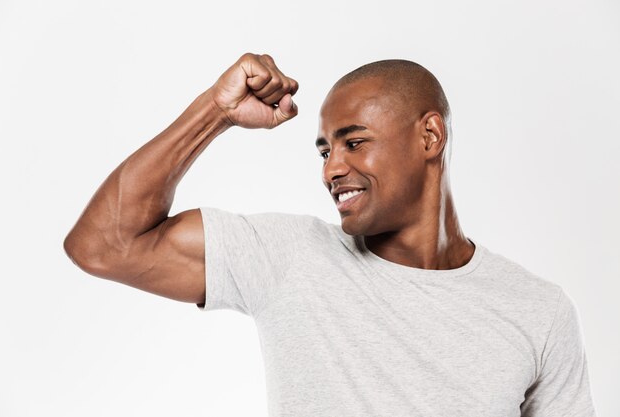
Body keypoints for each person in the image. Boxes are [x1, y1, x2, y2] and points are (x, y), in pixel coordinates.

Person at [63, 53, 597, 417]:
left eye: (354, 143)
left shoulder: (537, 311)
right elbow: (104, 245)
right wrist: (216, 112)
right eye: (324, 151)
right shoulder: (291, 257)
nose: (330, 170)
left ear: (429, 136)